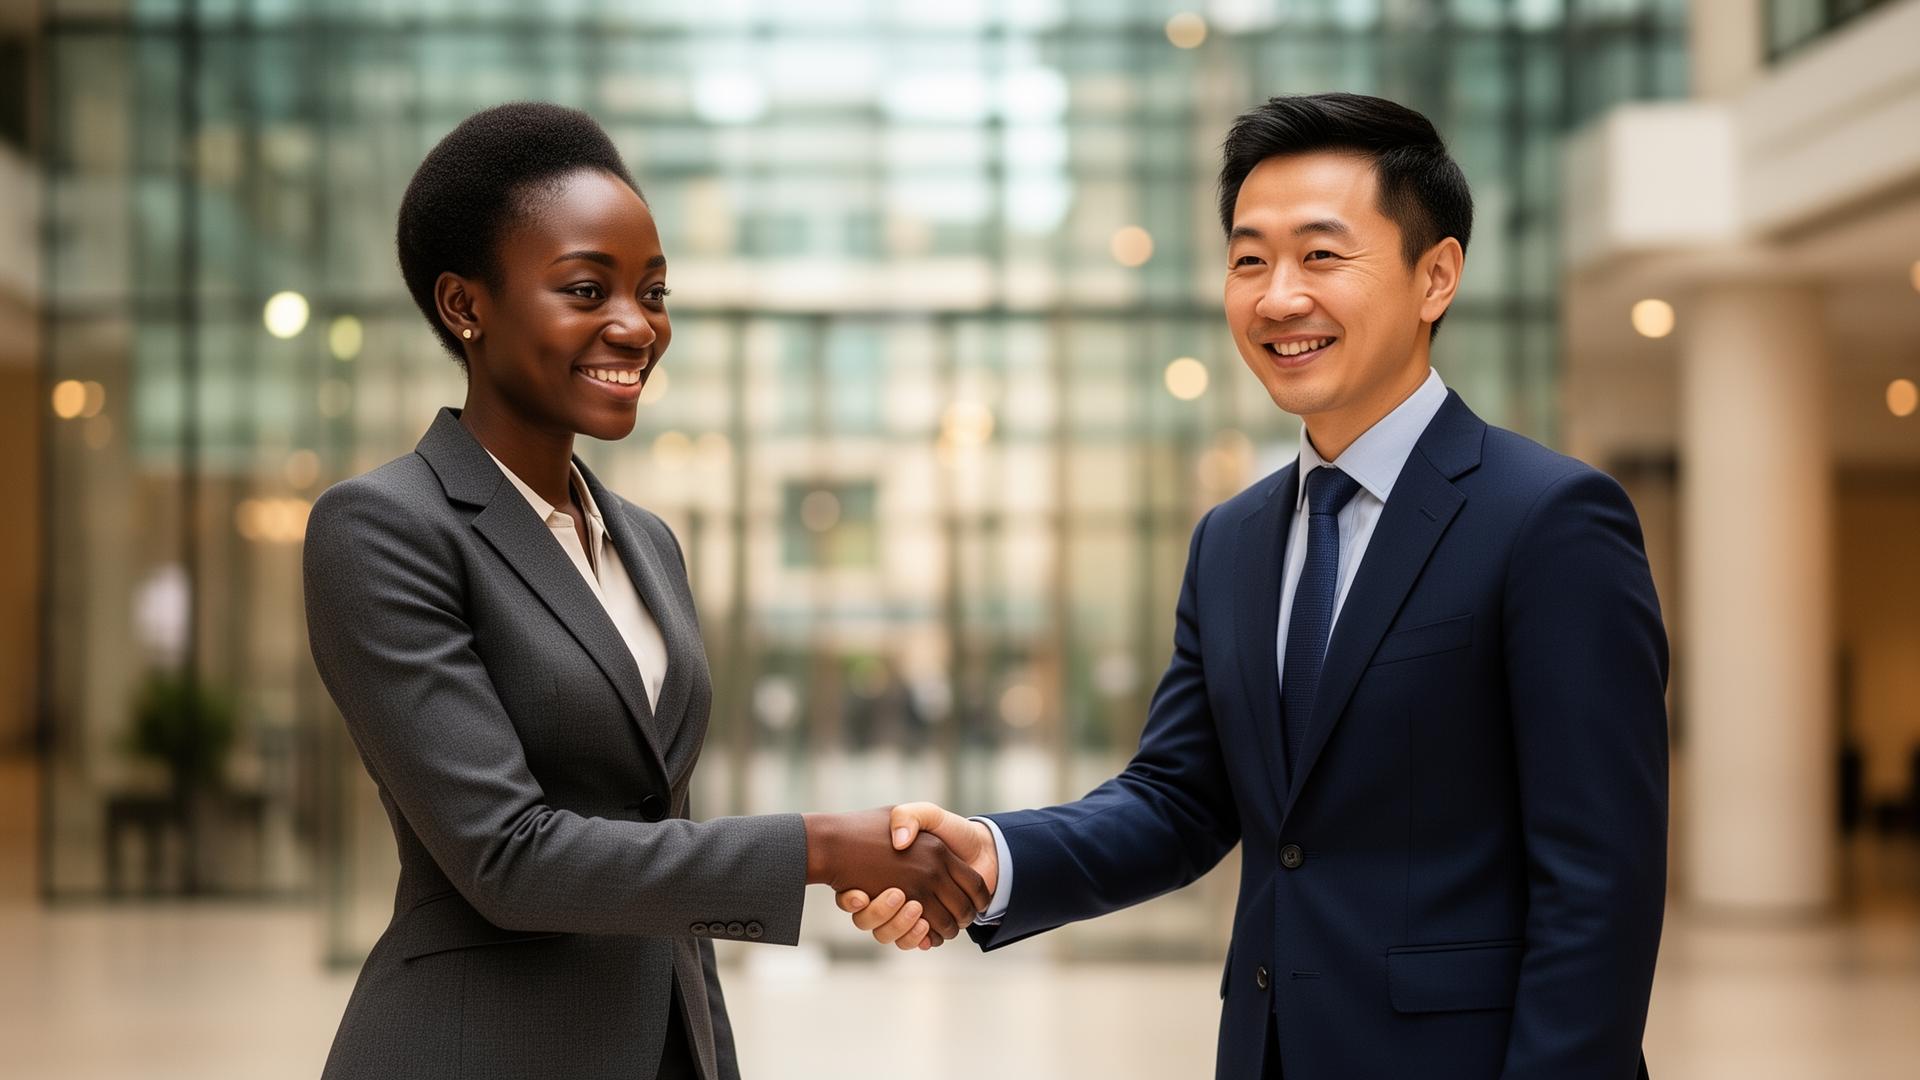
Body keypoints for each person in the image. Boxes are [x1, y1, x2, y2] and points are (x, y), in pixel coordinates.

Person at [838, 93, 1668, 1080]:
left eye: (1321, 255)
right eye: (1249, 259)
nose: (1278, 297)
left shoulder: (1550, 520)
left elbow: (1598, 884)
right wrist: (987, 855)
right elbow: (1179, 800)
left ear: (1435, 275)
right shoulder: (1233, 540)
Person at [301, 102, 988, 1080]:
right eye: (587, 289)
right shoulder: (383, 526)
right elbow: (508, 857)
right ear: (466, 305)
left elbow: (657, 824)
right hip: (473, 1047)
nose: (636, 325)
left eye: (654, 290)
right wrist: (825, 847)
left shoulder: (648, 543)